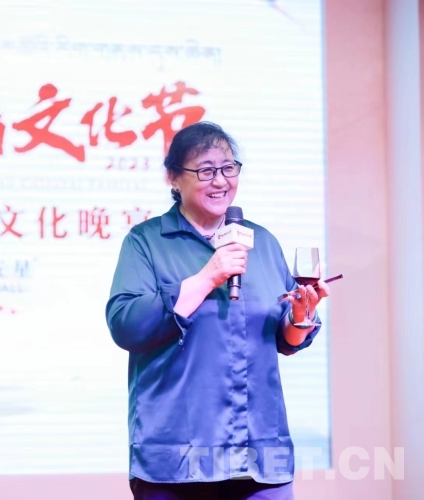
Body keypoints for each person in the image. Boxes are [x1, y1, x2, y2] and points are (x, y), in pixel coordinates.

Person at [106, 122, 330, 500]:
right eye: (206, 170)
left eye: (228, 168)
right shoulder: (146, 242)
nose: (221, 180)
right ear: (173, 178)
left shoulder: (261, 241)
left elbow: (286, 339)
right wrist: (208, 276)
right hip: (177, 458)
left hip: (260, 455)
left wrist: (300, 315)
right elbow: (126, 325)